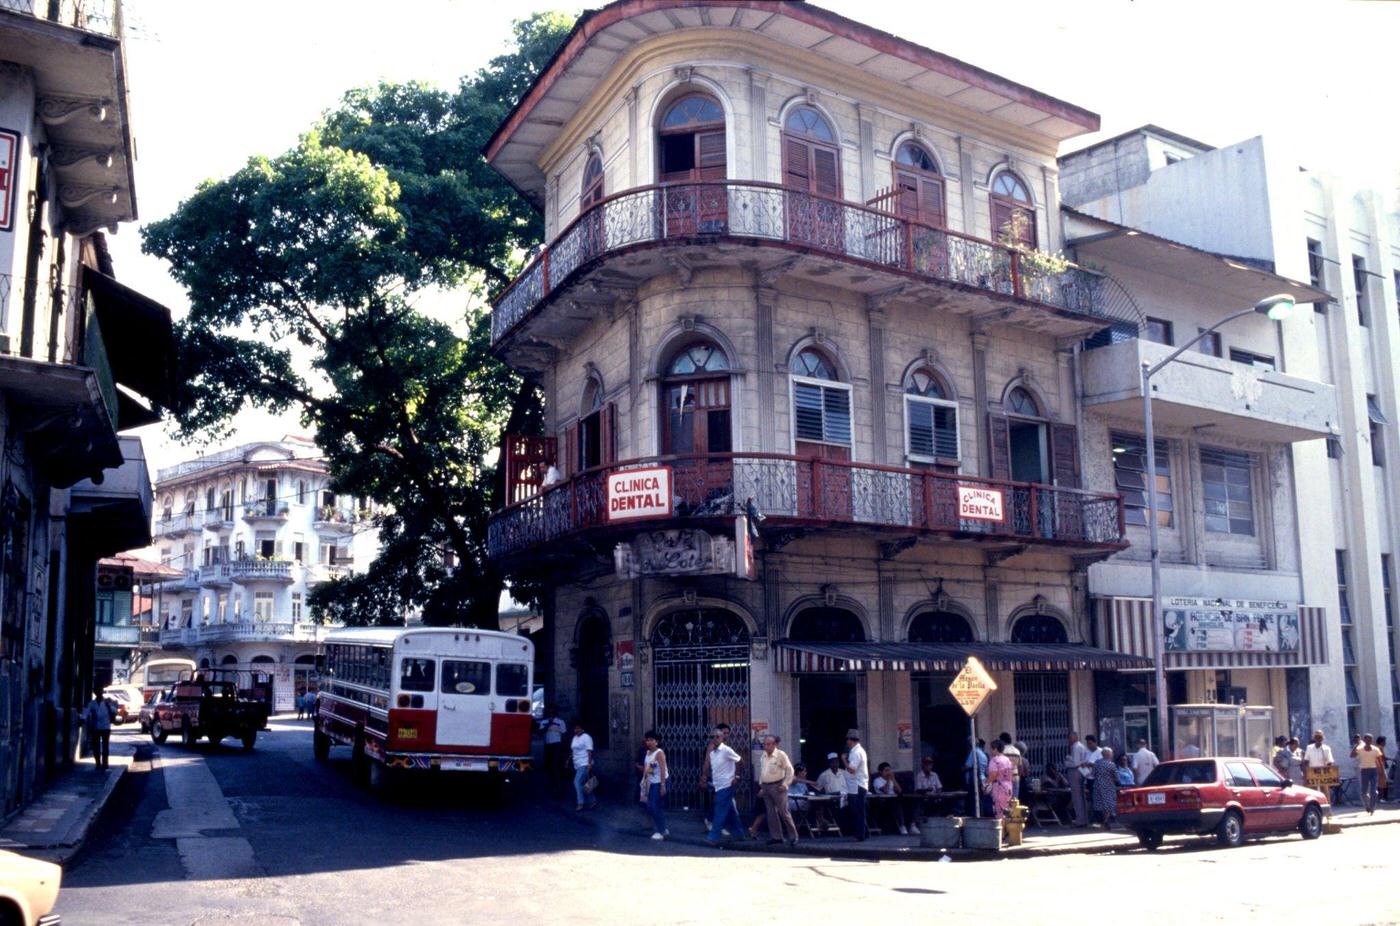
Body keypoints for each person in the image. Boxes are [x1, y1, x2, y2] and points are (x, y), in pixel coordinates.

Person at [705, 726, 744, 845]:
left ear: (722, 738)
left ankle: (713, 836)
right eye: (713, 737)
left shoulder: (726, 750)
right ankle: (739, 833)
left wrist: (736, 777)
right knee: (730, 810)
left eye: (717, 737)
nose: (715, 739)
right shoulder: (712, 753)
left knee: (719, 810)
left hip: (727, 785)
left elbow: (740, 761)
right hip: (718, 785)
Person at [757, 734, 798, 846]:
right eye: (764, 744)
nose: (766, 746)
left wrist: (785, 784)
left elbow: (789, 770)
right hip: (766, 786)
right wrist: (761, 786)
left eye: (769, 744)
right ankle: (776, 837)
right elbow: (762, 771)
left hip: (778, 786)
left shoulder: (781, 755)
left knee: (784, 812)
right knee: (771, 813)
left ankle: (793, 836)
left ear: (774, 744)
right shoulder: (764, 756)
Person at [871, 762, 917, 835]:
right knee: (896, 802)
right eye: (886, 770)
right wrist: (889, 780)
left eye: (889, 770)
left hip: (895, 798)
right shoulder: (877, 780)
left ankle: (912, 825)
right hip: (883, 801)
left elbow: (899, 790)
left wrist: (893, 779)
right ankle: (902, 826)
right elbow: (885, 791)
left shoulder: (892, 779)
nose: (888, 772)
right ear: (880, 772)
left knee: (909, 801)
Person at [639, 730, 669, 839]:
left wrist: (662, 785)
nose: (649, 742)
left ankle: (661, 831)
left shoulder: (659, 753)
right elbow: (649, 768)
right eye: (648, 740)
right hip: (651, 783)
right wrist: (645, 782)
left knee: (653, 806)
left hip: (659, 783)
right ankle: (663, 828)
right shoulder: (648, 753)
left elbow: (662, 770)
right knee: (654, 807)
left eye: (652, 740)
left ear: (656, 741)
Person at [842, 729, 870, 841]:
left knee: (858, 811)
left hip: (858, 785)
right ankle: (865, 832)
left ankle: (860, 834)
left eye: (847, 739)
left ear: (850, 740)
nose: (847, 742)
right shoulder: (856, 751)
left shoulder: (857, 752)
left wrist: (844, 760)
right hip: (856, 785)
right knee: (859, 810)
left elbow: (852, 769)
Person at [84, 691, 117, 770]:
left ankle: (105, 764)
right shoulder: (92, 703)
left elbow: (114, 710)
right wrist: (82, 718)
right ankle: (98, 763)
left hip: (105, 727)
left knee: (105, 746)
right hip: (95, 727)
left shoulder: (106, 702)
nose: (99, 695)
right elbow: (86, 712)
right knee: (96, 747)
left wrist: (109, 705)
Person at [568, 721, 596, 812]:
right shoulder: (574, 738)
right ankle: (592, 800)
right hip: (577, 764)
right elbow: (573, 750)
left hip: (584, 763)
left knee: (576, 782)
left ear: (582, 729)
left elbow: (589, 751)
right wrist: (568, 759)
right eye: (575, 728)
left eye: (577, 728)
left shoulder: (586, 737)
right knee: (583, 784)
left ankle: (580, 803)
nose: (576, 730)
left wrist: (589, 764)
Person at [1353, 733, 1382, 815]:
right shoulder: (1360, 749)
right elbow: (1352, 755)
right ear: (1364, 740)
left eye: (1370, 739)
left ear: (1372, 740)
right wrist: (1356, 746)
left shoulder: (1375, 749)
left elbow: (1379, 760)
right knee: (1363, 792)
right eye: (1366, 739)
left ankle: (1372, 808)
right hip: (1364, 771)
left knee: (1374, 791)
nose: (1368, 741)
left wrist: (1381, 771)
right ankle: (1367, 805)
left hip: (1374, 770)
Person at [984, 740, 1014, 821]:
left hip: (999, 787)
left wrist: (985, 784)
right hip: (1008, 786)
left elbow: (993, 774)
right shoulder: (1007, 759)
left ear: (995, 749)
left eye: (991, 749)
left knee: (999, 810)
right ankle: (1007, 829)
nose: (990, 751)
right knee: (1006, 809)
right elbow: (1011, 774)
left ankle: (1001, 830)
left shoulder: (994, 760)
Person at [1064, 732, 1090, 827]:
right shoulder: (1081, 746)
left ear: (1074, 738)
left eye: (1070, 738)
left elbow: (1075, 763)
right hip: (1080, 772)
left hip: (1075, 771)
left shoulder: (1075, 747)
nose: (1068, 740)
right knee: (1081, 797)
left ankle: (1080, 820)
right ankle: (1084, 819)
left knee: (1077, 797)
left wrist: (1067, 761)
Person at [539, 707, 568, 790]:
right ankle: (550, 781)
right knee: (548, 764)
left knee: (555, 764)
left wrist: (564, 747)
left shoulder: (560, 722)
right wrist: (548, 725)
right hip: (548, 746)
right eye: (550, 713)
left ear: (555, 713)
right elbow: (540, 733)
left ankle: (557, 783)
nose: (551, 714)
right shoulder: (544, 722)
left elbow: (564, 734)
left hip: (557, 745)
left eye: (553, 713)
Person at [1090, 747, 1119, 827]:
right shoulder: (1111, 764)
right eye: (1112, 753)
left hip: (1097, 785)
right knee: (1109, 803)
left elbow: (1092, 774)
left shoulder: (1097, 762)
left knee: (1100, 804)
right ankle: (1106, 821)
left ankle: (1103, 820)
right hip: (1108, 786)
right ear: (1109, 754)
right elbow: (1117, 777)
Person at [964, 738, 989, 816]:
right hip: (982, 779)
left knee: (972, 802)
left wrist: (961, 768)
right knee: (980, 800)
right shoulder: (983, 754)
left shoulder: (974, 752)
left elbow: (967, 766)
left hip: (975, 779)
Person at [999, 733, 1023, 799]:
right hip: (1015, 778)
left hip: (1004, 779)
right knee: (1014, 800)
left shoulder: (1001, 751)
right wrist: (1018, 777)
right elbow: (1020, 767)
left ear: (1002, 741)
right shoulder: (1017, 751)